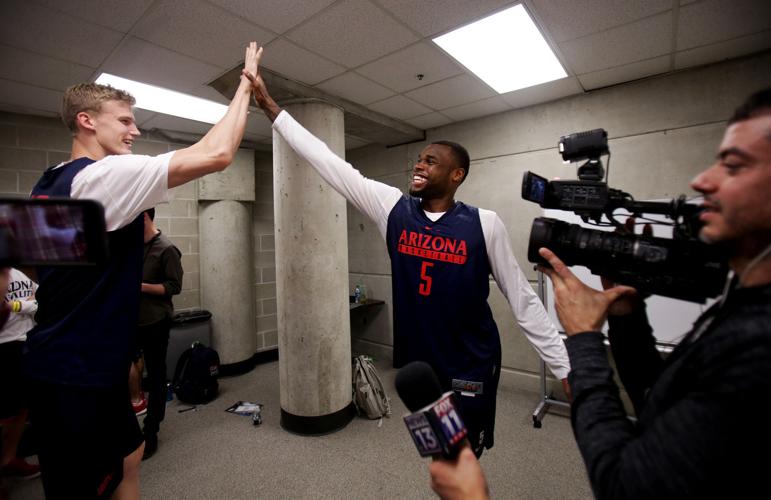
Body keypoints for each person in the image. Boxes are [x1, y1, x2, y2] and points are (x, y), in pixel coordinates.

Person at [429, 88, 771, 499]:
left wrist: (585, 340)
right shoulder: (742, 303)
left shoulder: (758, 342)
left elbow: (626, 484)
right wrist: (627, 316)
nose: (702, 181)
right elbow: (654, 396)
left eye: (733, 165)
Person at [245, 53, 570, 457]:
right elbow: (328, 162)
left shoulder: (485, 224)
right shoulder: (393, 209)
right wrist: (272, 109)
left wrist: (564, 367)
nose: (419, 165)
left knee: (466, 453)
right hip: (421, 368)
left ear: (457, 175)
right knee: (437, 453)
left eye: (431, 162)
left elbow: (522, 300)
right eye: (419, 159)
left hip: (470, 364)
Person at [23, 42, 262, 499]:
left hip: (77, 359)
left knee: (128, 459)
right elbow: (217, 153)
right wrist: (246, 86)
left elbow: (35, 269)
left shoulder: (50, 180)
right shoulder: (101, 176)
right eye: (125, 120)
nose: (135, 130)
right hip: (78, 369)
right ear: (86, 120)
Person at [128, 208, 183, 460]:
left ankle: (151, 431)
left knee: (157, 375)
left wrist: (140, 286)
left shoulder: (167, 248)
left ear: (145, 218)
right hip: (130, 321)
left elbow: (174, 287)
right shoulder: (131, 246)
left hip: (155, 322)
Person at [0, 268, 40, 497]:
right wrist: (23, 305)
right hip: (4, 347)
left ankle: (9, 458)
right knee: (6, 412)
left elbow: (40, 297)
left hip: (25, 342)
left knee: (23, 407)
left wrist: (19, 306)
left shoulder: (17, 274)